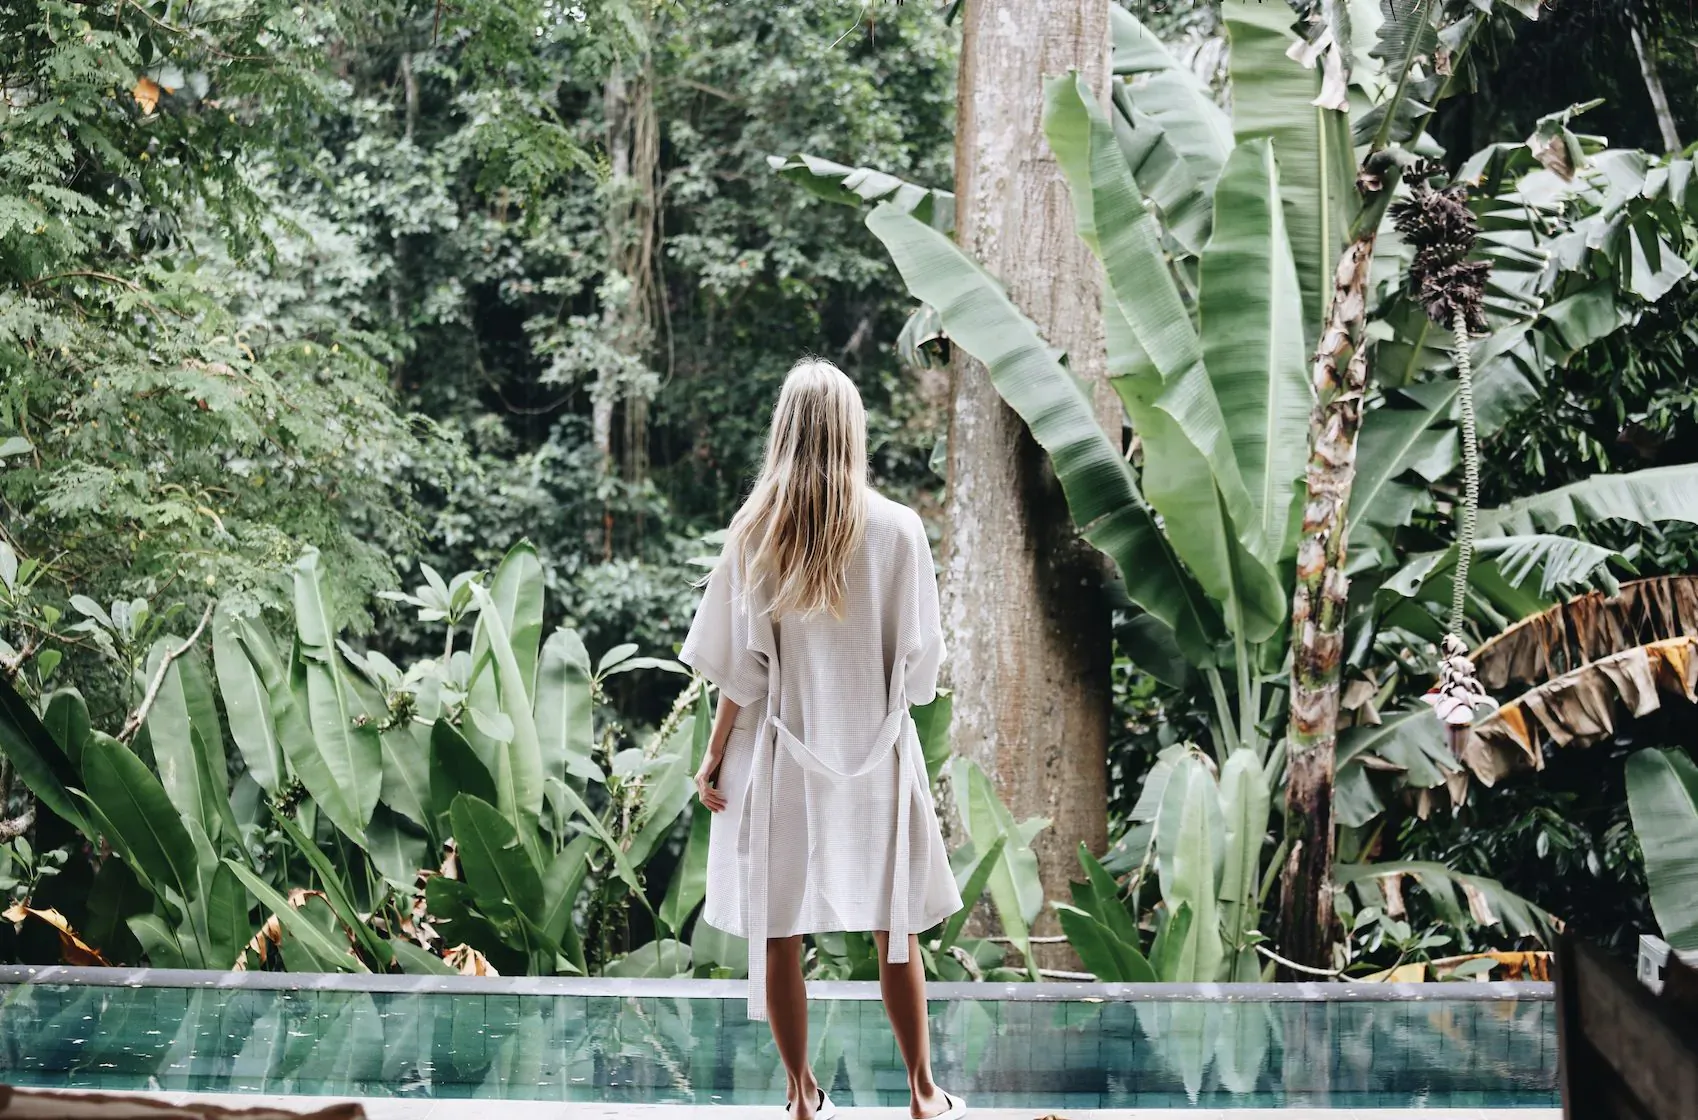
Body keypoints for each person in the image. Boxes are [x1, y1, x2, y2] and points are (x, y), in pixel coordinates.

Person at [680, 358, 968, 1120]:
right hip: (874, 752)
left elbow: (741, 674)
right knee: (893, 929)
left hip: (779, 760)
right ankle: (921, 1091)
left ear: (784, 431)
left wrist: (713, 758)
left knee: (781, 932)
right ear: (852, 430)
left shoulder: (755, 536)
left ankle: (801, 1094)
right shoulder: (901, 532)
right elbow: (920, 673)